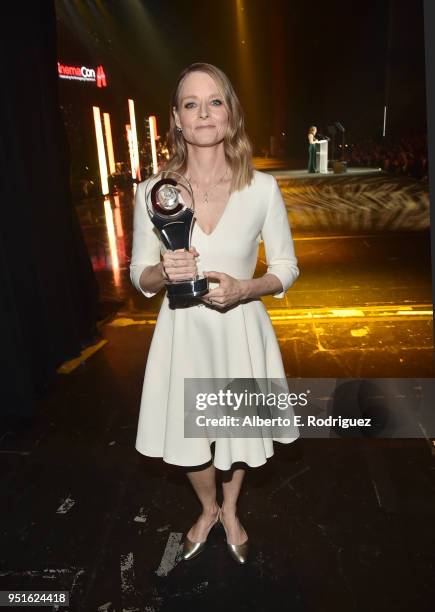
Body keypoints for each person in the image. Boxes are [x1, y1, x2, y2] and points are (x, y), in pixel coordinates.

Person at [130, 62, 300, 565]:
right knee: (190, 440)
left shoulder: (262, 189)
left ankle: (230, 508)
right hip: (183, 333)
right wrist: (164, 270)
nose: (203, 113)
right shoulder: (153, 192)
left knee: (238, 433)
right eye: (191, 104)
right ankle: (206, 508)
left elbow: (288, 268)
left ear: (230, 114)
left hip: (239, 330)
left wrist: (248, 288)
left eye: (215, 101)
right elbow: (140, 278)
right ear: (177, 120)